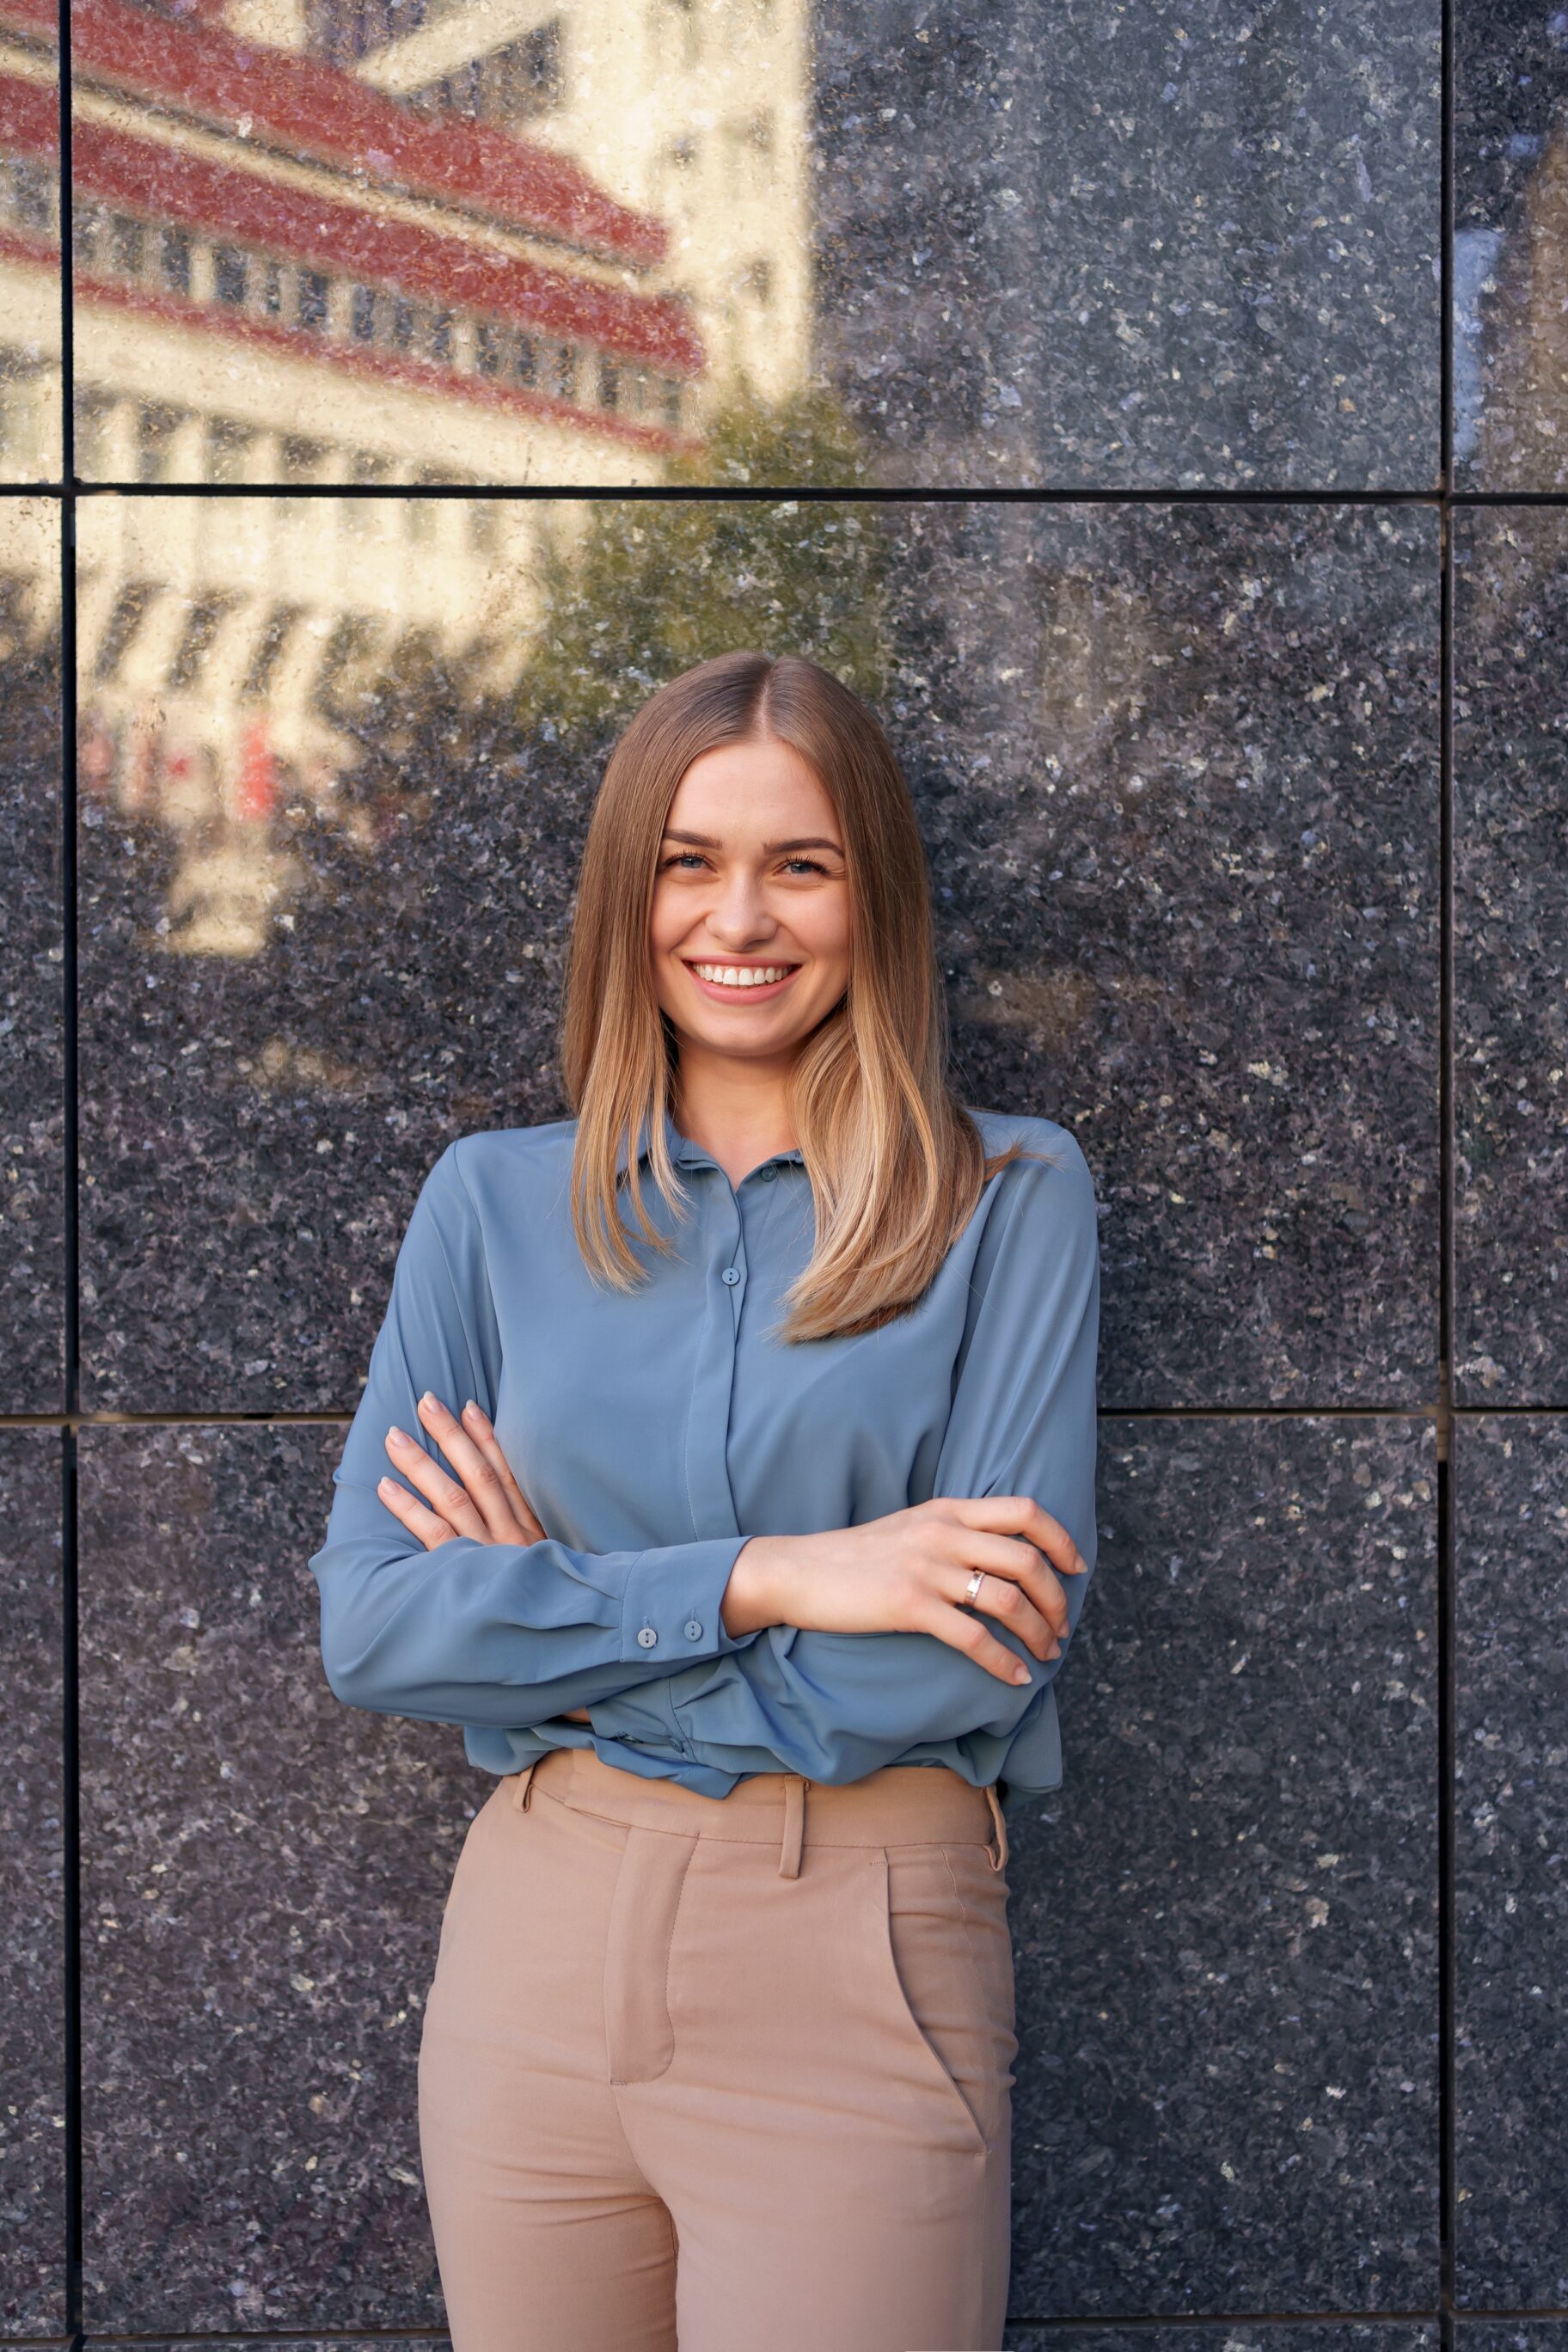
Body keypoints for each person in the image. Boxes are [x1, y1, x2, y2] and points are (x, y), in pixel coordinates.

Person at [308, 648, 1101, 2352]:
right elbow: (376, 1625)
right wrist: (776, 1576)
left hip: (854, 1951)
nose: (739, 919)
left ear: (869, 894)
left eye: (798, 865)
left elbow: (968, 1657)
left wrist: (547, 1623)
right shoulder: (494, 1207)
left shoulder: (1007, 1197)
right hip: (535, 1947)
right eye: (690, 863)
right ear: (629, 894)